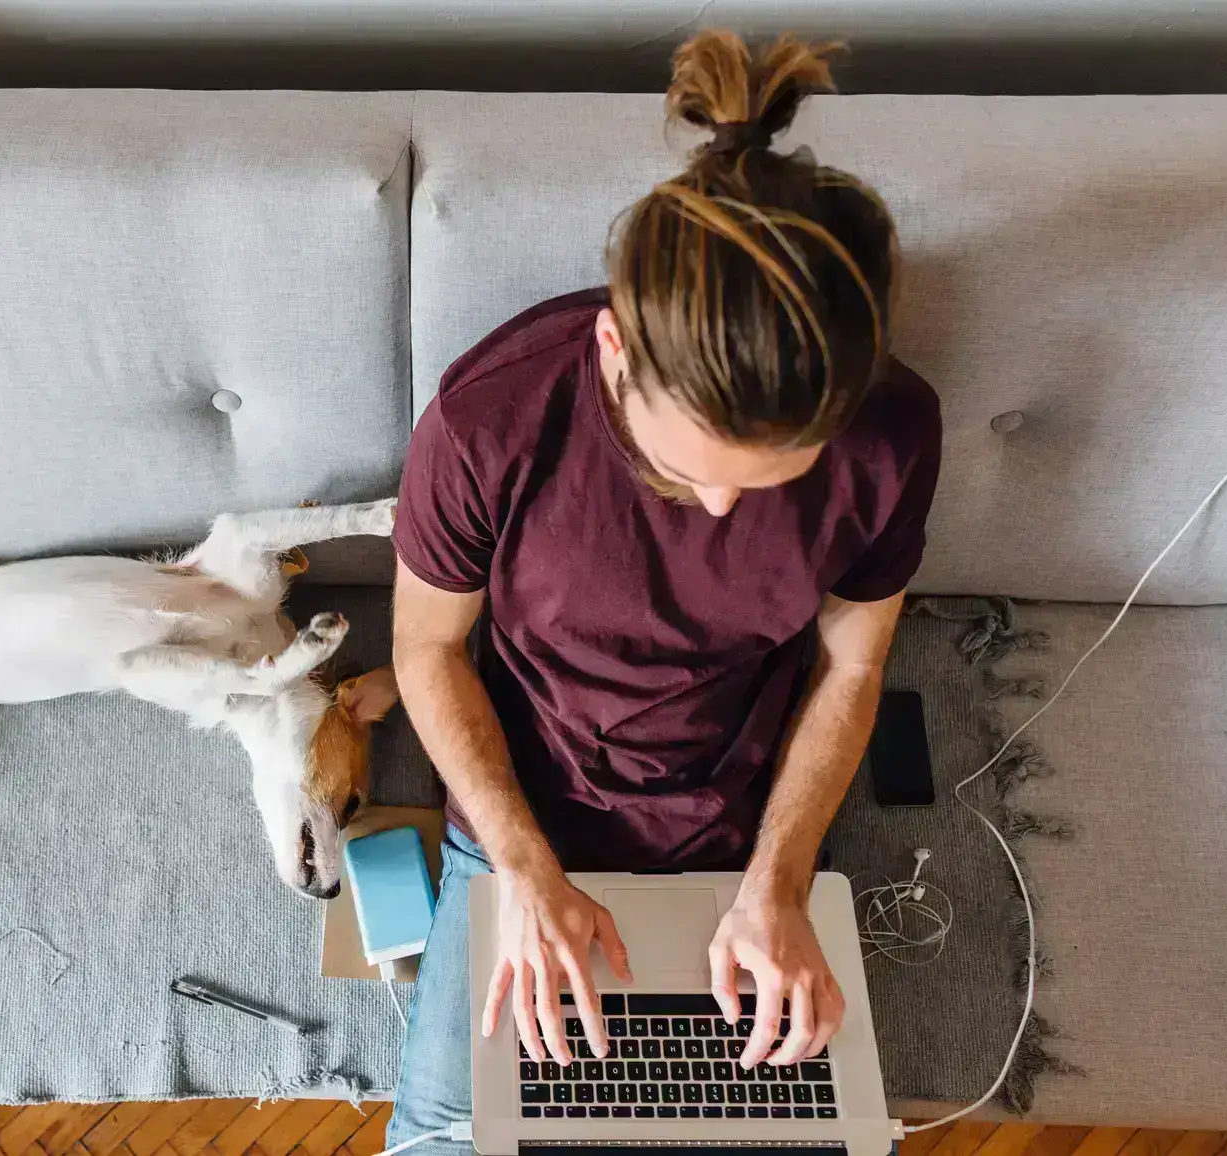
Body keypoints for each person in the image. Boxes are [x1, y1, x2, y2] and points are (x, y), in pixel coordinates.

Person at [383, 28, 942, 1153]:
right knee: (450, 1136)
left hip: (747, 833)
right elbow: (427, 653)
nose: (727, 516)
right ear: (612, 349)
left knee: (774, 1130)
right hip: (525, 821)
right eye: (690, 473)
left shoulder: (889, 435)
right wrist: (526, 873)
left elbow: (856, 660)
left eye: (767, 481)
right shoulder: (489, 420)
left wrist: (778, 884)